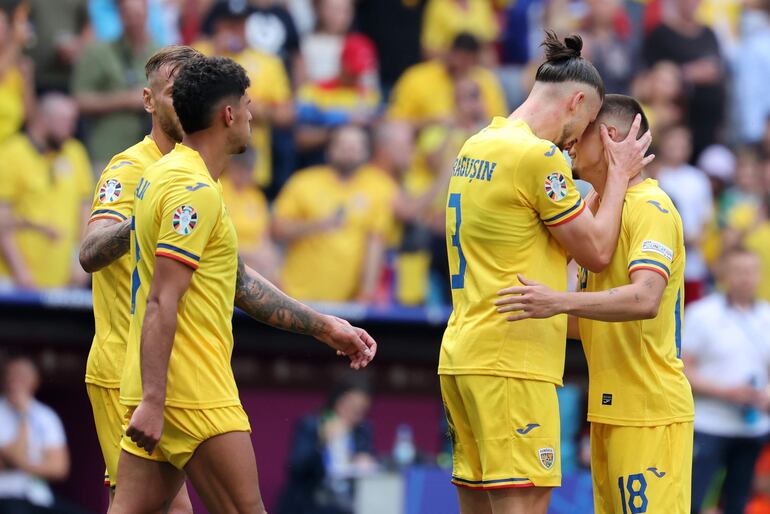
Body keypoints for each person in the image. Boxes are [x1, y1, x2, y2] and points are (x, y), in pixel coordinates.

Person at [110, 55, 376, 513]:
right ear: (227, 115)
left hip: (155, 384)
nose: (253, 115)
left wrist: (324, 326)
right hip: (193, 391)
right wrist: (155, 401)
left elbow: (236, 282)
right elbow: (161, 300)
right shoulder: (193, 193)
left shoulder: (163, 174)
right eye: (248, 105)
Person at [438, 33, 651, 514]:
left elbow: (533, 239)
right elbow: (597, 251)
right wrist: (617, 177)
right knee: (527, 505)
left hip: (464, 352)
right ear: (577, 102)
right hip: (513, 359)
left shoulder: (478, 143)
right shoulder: (539, 156)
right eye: (588, 121)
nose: (580, 139)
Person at [495, 95, 694, 514]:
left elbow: (645, 298)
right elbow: (587, 320)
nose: (569, 144)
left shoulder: (651, 209)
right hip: (609, 410)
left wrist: (556, 301)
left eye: (581, 134)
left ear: (611, 138)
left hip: (649, 411)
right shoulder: (600, 209)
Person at [78, 45, 200, 511]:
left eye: (191, 91)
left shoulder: (195, 174)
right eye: (173, 92)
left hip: (164, 370)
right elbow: (90, 252)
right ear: (149, 101)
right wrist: (143, 220)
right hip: (120, 368)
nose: (184, 101)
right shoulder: (131, 168)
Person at [682, 247, 770, 514]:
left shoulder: (766, 314)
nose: (746, 278)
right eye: (739, 271)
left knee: (738, 502)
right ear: (724, 275)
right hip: (710, 424)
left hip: (753, 428)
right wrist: (725, 392)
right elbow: (683, 369)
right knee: (692, 501)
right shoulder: (701, 314)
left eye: (751, 271)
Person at [273, 125, 390, 303]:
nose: (348, 151)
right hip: (295, 297)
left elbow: (375, 243)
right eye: (342, 144)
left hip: (345, 305)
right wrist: (317, 224)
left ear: (366, 153)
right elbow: (276, 228)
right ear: (329, 149)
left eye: (355, 146)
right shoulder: (304, 181)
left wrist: (366, 293)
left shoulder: (376, 189)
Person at [194, 1, 294, 189]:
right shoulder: (200, 52)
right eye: (229, 24)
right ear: (217, 25)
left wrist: (257, 111)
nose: (236, 30)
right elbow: (185, 98)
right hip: (205, 167)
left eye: (241, 24)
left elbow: (287, 114)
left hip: (250, 169)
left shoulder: (268, 61)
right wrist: (216, 53)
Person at [0, 93, 92, 289]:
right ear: (42, 119)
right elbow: (2, 217)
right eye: (65, 121)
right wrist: (21, 271)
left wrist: (80, 261)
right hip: (14, 281)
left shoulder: (75, 152)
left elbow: (84, 208)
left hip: (63, 280)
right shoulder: (10, 154)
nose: (71, 128)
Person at [71, 0, 158, 167]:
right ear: (120, 15)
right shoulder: (98, 53)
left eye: (138, 14)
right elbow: (79, 99)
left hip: (151, 155)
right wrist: (127, 100)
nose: (134, 20)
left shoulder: (160, 53)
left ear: (147, 14)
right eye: (129, 14)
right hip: (108, 151)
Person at [277, 379, 376, 514]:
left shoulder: (362, 431)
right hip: (311, 501)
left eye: (361, 409)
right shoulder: (312, 424)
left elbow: (370, 463)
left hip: (347, 503)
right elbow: (296, 468)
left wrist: (365, 460)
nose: (355, 412)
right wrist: (322, 443)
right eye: (351, 405)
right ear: (338, 400)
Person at [643, 0, 726, 159]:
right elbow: (653, 72)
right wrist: (689, 72)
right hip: (675, 118)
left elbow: (718, 67)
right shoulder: (661, 33)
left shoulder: (708, 33)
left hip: (709, 122)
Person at [0, 357, 74, 513]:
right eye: (11, 376)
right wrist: (23, 417)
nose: (15, 382)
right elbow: (11, 458)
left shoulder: (46, 416)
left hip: (39, 497)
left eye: (22, 376)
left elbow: (59, 469)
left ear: (35, 381)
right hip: (6, 495)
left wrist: (18, 464)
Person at [387, 32, 506, 128]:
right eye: (457, 57)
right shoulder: (417, 77)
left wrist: (481, 115)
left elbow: (501, 124)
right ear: (449, 52)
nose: (460, 64)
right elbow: (395, 123)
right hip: (428, 145)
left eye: (466, 61)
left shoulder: (485, 80)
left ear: (474, 60)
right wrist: (434, 122)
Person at [295, 33, 380, 166]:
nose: (357, 75)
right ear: (342, 62)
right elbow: (300, 139)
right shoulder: (314, 91)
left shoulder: (369, 96)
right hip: (317, 163)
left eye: (361, 71)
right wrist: (342, 125)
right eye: (354, 70)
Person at [654, 124, 713, 303]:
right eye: (673, 141)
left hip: (692, 262)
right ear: (663, 143)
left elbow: (706, 219)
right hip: (661, 257)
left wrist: (690, 239)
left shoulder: (698, 178)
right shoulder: (655, 174)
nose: (678, 146)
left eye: (683, 142)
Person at [220, 147, 280, 285]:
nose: (245, 175)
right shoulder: (220, 190)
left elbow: (265, 237)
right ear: (232, 167)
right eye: (241, 169)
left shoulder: (256, 196)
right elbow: (219, 239)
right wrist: (251, 255)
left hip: (254, 266)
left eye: (249, 170)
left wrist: (268, 259)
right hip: (227, 262)